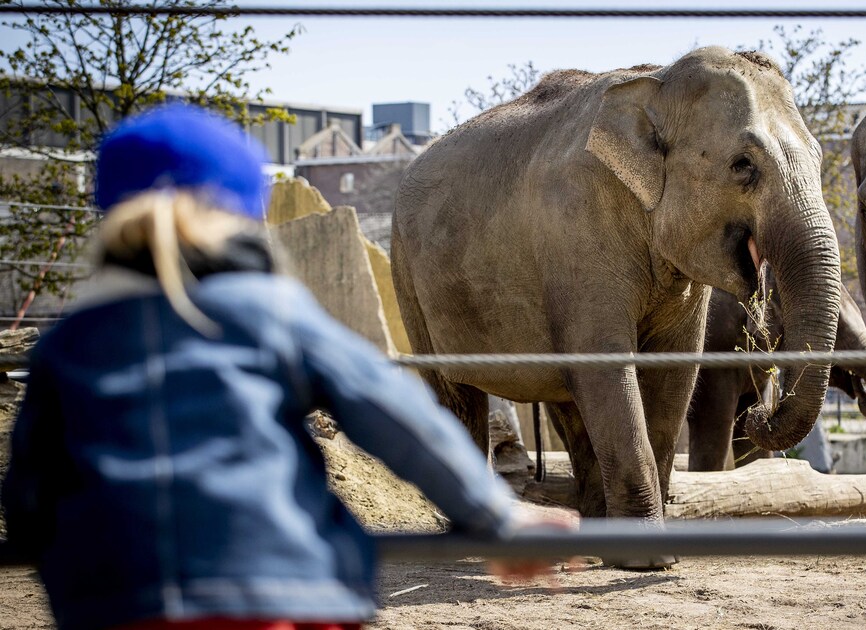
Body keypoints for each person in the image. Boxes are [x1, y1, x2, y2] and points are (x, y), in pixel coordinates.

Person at [1, 103, 567, 630]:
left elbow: (29, 491)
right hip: (272, 585)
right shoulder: (271, 313)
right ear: (244, 213)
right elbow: (394, 415)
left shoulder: (69, 342)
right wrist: (495, 516)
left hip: (114, 601)